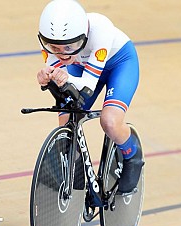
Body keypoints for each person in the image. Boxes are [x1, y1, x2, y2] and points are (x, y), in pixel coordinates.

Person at [36, 0, 144, 195]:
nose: (61, 54)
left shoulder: (100, 28)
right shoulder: (52, 43)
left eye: (70, 47)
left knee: (110, 121)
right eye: (55, 48)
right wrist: (48, 78)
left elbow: (87, 86)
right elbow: (60, 79)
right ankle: (76, 172)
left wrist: (64, 76)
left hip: (119, 65)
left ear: (84, 37)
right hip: (82, 67)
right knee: (67, 119)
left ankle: (132, 156)